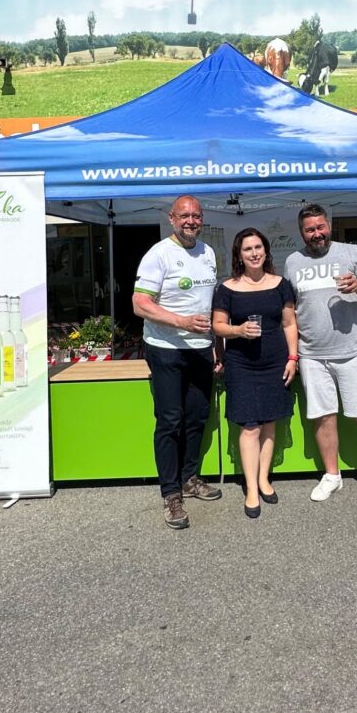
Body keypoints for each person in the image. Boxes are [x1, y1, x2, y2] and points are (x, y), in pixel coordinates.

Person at [283, 203, 357, 509]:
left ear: (329, 226)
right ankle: (332, 475)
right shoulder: (293, 261)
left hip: (353, 352)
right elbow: (291, 311)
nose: (316, 233)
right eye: (310, 229)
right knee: (323, 417)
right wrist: (294, 353)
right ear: (302, 232)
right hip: (312, 355)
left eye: (320, 227)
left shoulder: (351, 252)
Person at [132, 195, 222, 531]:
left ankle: (189, 478)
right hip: (165, 349)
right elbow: (140, 304)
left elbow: (209, 303)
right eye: (184, 216)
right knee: (170, 421)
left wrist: (216, 345)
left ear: (202, 219)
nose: (190, 221)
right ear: (172, 218)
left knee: (197, 416)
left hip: (201, 348)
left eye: (196, 216)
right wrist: (181, 322)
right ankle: (171, 493)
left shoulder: (208, 252)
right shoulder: (158, 254)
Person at [212, 229, 298, 519]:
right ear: (239, 255)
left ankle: (264, 479)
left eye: (258, 247)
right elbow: (217, 326)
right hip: (241, 364)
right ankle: (251, 488)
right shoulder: (226, 289)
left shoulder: (281, 285)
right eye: (247, 249)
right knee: (250, 426)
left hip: (275, 362)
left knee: (269, 423)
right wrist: (238, 330)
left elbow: (289, 324)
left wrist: (293, 357)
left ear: (266, 250)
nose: (254, 253)